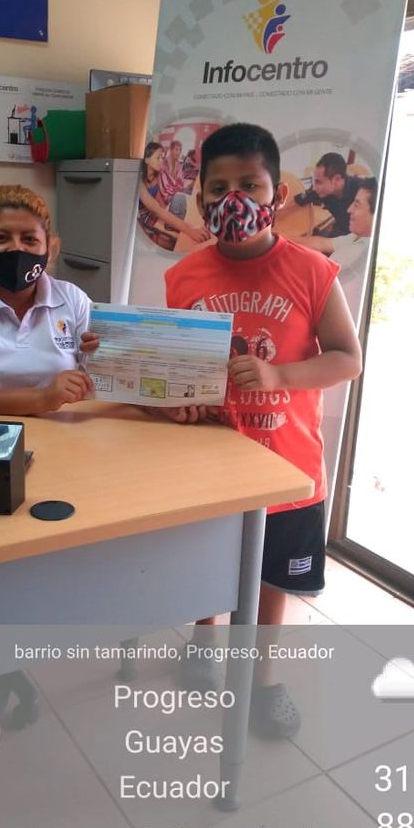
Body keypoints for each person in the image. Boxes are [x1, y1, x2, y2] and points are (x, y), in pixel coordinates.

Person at [162, 123, 362, 738]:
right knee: (206, 563)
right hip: (209, 465)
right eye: (218, 187)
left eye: (250, 185)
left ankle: (261, 679)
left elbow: (347, 359)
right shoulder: (183, 277)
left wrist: (278, 373)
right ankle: (204, 641)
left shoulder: (313, 271)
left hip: (287, 468)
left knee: (275, 578)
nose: (234, 199)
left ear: (279, 193)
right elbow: (179, 365)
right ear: (201, 199)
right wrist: (178, 403)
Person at [0, 184, 95, 415]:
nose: (16, 249)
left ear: (50, 248)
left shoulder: (72, 299)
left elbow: (103, 378)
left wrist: (107, 356)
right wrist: (43, 398)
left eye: (29, 239)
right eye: (0, 238)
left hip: (63, 432)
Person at [284, 177, 377, 279]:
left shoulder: (357, 255)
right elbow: (322, 243)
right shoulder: (357, 237)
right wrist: (282, 238)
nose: (349, 209)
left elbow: (315, 275)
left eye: (357, 205)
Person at [138, 141, 209, 250]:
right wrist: (190, 230)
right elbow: (156, 210)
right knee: (177, 237)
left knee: (180, 210)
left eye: (162, 157)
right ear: (147, 160)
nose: (161, 161)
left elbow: (158, 199)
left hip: (155, 209)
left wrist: (166, 210)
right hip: (144, 215)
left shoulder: (157, 175)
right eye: (158, 158)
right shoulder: (139, 182)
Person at [279, 151, 366, 238]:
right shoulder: (318, 190)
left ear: (336, 179)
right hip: (340, 228)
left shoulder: (364, 191)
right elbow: (297, 200)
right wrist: (277, 211)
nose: (314, 188)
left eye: (318, 182)